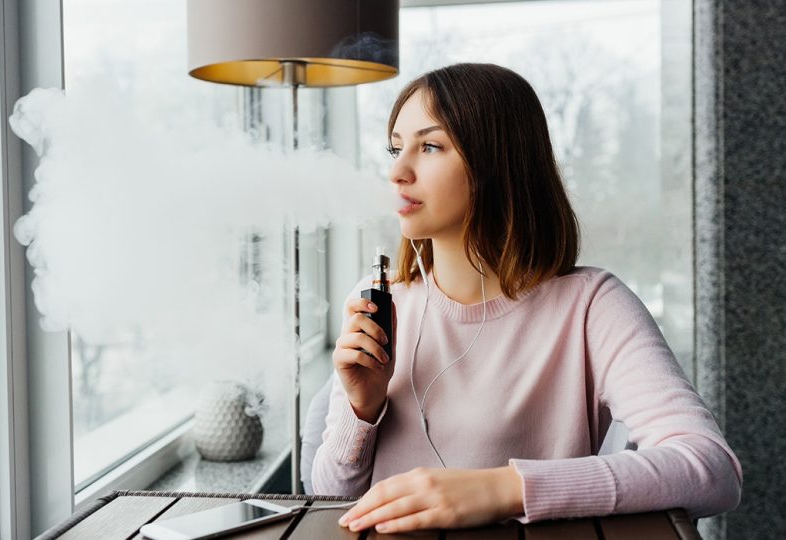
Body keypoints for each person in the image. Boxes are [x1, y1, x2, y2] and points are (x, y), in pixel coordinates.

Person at [310, 63, 742, 535]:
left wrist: (502, 489)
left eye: (430, 146)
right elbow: (331, 504)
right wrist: (362, 408)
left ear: (499, 162)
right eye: (396, 148)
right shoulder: (378, 301)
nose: (396, 171)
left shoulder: (592, 306)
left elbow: (710, 469)